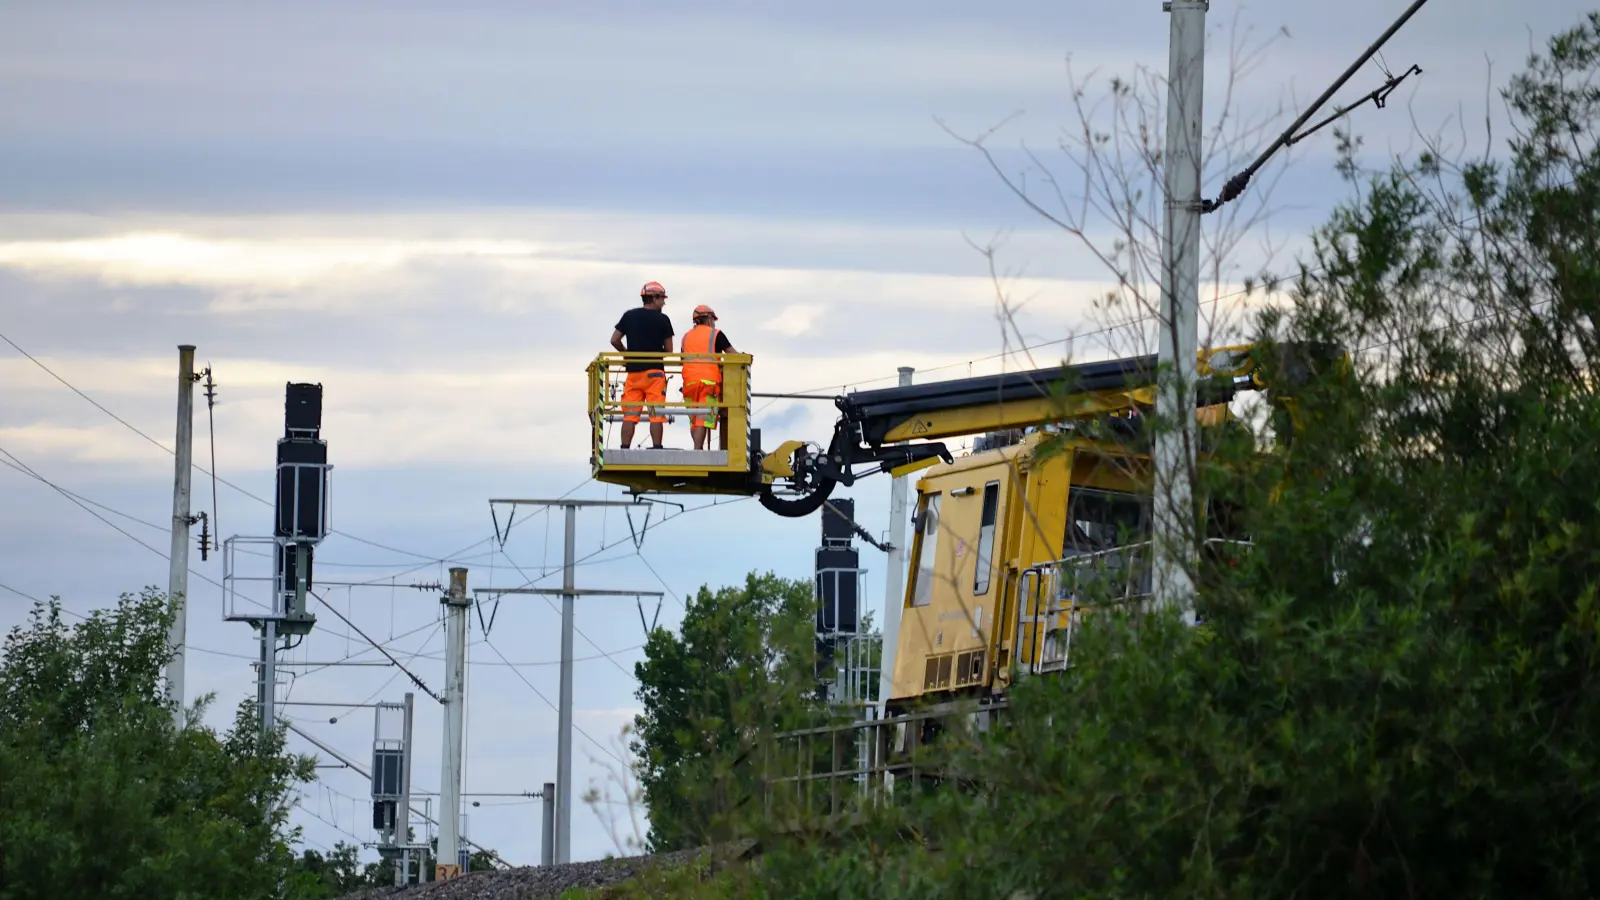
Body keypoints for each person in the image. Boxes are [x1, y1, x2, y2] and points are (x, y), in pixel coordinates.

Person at [610, 281, 674, 449]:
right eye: (662, 299)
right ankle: (657, 447)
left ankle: (624, 447)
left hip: (634, 374)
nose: (664, 303)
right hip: (655, 374)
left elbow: (614, 340)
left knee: (630, 414)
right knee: (656, 414)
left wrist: (627, 354)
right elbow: (669, 351)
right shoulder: (663, 319)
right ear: (654, 298)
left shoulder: (629, 316)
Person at [679, 304, 736, 451]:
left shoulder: (686, 337)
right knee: (703, 419)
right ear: (709, 319)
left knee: (693, 418)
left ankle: (697, 448)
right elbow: (733, 354)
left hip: (689, 383)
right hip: (708, 382)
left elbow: (682, 359)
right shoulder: (715, 334)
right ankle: (698, 450)